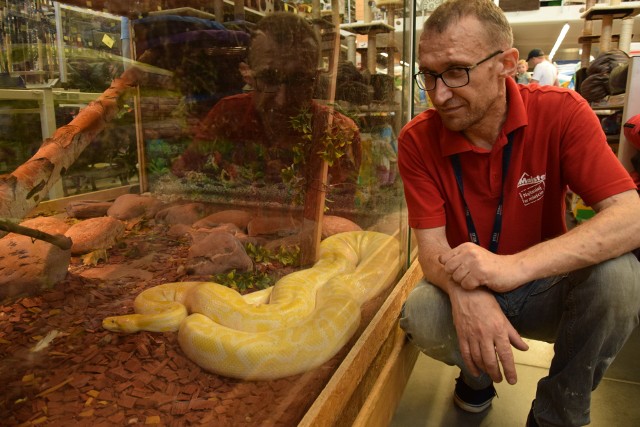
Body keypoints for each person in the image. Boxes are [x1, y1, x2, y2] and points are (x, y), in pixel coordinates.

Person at [397, 1, 640, 426]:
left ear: (506, 64)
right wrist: (466, 293)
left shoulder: (562, 111)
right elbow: (431, 247)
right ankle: (475, 378)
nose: (439, 94)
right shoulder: (417, 141)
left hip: (543, 285)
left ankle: (557, 413)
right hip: (468, 277)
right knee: (422, 314)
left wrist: (511, 267)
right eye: (430, 75)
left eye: (456, 71)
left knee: (620, 279)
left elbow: (631, 216)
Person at [172, 13, 361, 208]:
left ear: (317, 78)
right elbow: (180, 177)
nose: (282, 99)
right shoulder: (227, 115)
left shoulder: (338, 132)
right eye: (269, 78)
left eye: (299, 80)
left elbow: (340, 217)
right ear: (247, 75)